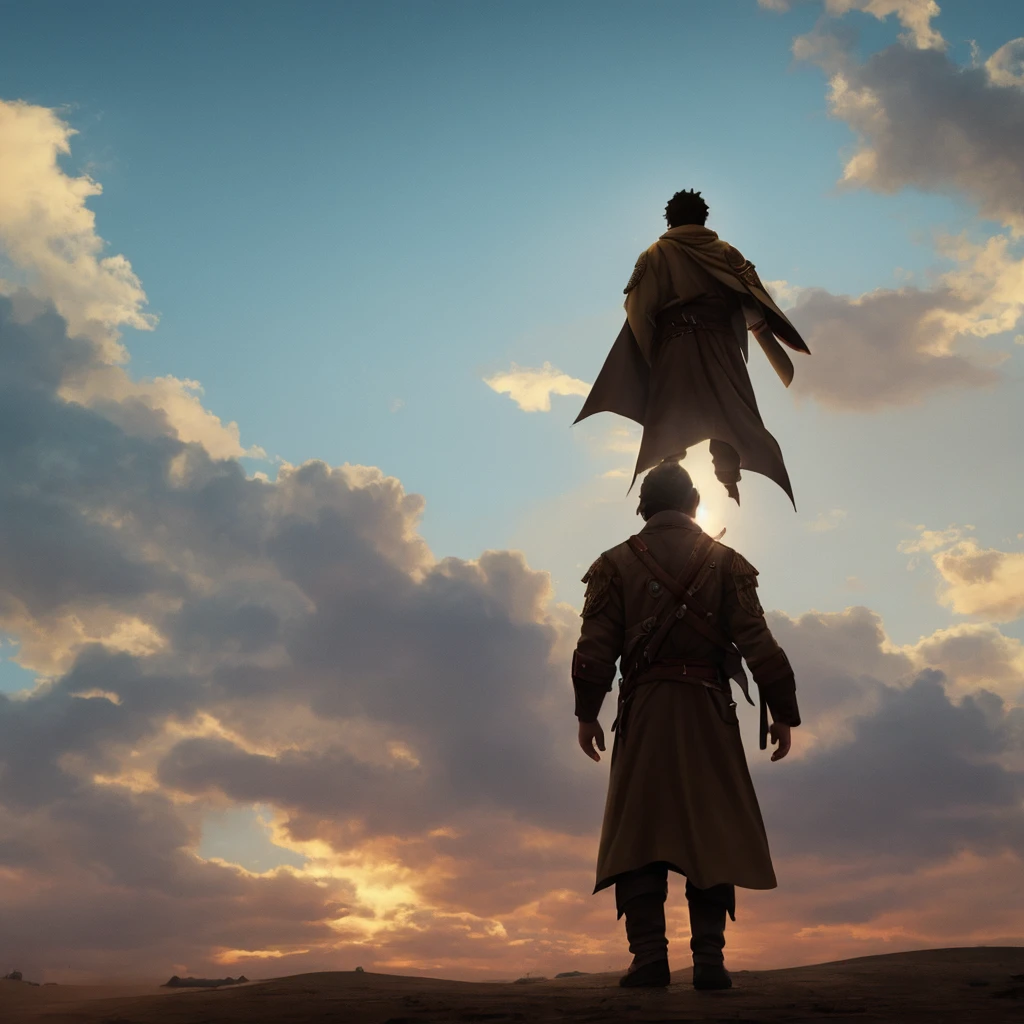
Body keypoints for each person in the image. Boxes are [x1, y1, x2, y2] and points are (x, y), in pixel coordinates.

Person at [570, 460, 801, 989]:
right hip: (708, 715)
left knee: (639, 832)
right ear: (695, 505)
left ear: (643, 507)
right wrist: (783, 711)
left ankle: (650, 958)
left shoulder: (612, 564)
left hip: (646, 712)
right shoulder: (729, 564)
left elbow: (593, 653)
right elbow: (761, 645)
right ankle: (710, 962)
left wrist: (587, 714)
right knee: (712, 832)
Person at [573, 189, 810, 507]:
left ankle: (670, 479)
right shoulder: (726, 252)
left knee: (673, 416)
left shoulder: (655, 255)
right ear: (703, 217)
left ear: (670, 220)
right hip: (719, 344)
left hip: (676, 345)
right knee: (727, 413)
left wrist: (644, 356)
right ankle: (727, 479)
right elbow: (753, 300)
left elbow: (638, 308)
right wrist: (762, 334)